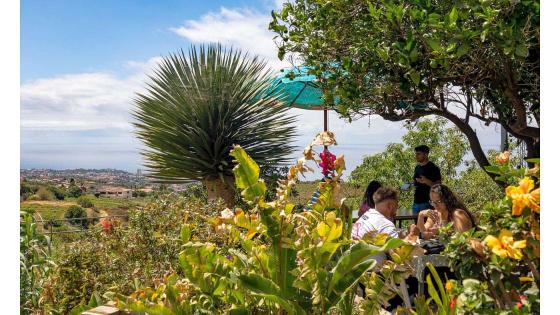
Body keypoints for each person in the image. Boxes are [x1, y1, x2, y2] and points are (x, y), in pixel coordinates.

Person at [352, 187, 405, 265]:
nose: (397, 209)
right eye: (397, 206)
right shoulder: (384, 223)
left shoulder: (366, 215)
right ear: (390, 206)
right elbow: (398, 253)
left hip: (353, 266)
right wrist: (411, 236)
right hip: (372, 272)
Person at [410, 184, 476, 239]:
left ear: (448, 199)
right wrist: (421, 215)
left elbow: (463, 238)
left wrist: (440, 232)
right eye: (433, 202)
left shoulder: (457, 214)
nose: (435, 206)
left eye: (439, 202)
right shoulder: (435, 214)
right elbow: (422, 233)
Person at [411, 145, 442, 215]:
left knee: (427, 225)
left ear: (426, 154)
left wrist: (426, 181)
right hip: (416, 202)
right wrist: (409, 185)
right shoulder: (417, 167)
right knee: (417, 224)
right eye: (416, 154)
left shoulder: (433, 168)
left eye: (418, 154)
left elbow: (438, 186)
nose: (416, 156)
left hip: (427, 202)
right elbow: (416, 182)